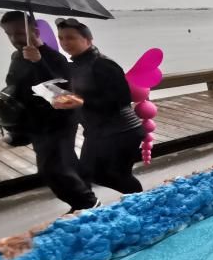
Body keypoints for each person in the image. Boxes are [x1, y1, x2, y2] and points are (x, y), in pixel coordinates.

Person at [0, 12, 98, 212]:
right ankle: (83, 202)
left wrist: (38, 62)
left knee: (52, 170)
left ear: (34, 31)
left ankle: (89, 204)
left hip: (58, 121)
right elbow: (16, 85)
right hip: (35, 122)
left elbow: (63, 91)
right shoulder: (17, 56)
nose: (14, 38)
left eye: (19, 32)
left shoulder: (54, 58)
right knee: (67, 163)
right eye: (9, 34)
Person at [53, 18, 145, 195]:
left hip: (123, 131)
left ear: (88, 39)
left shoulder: (103, 65)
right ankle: (127, 202)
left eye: (70, 38)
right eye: (61, 38)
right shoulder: (74, 66)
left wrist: (82, 102)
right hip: (97, 132)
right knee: (89, 173)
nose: (65, 43)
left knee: (117, 175)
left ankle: (140, 203)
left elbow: (122, 100)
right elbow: (79, 93)